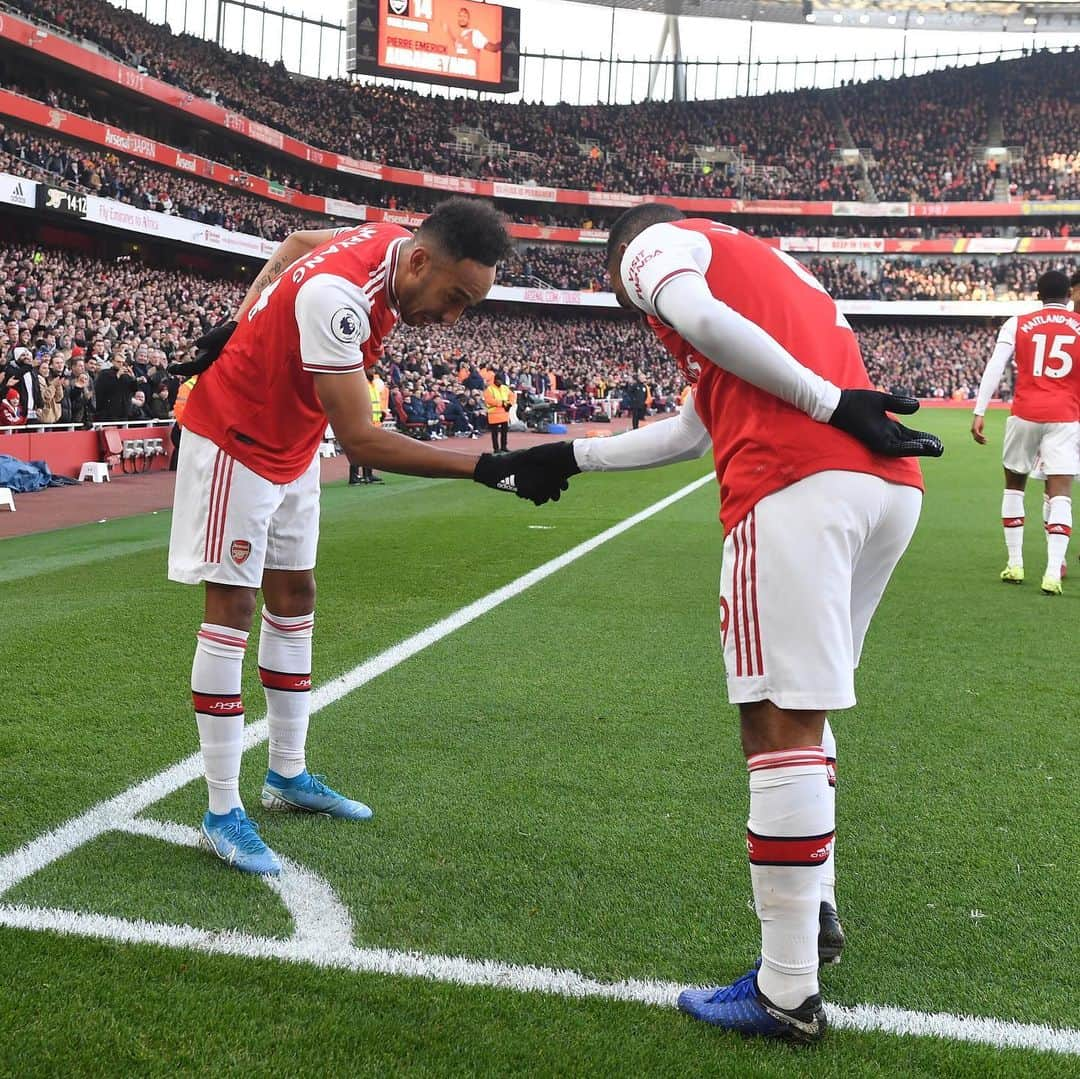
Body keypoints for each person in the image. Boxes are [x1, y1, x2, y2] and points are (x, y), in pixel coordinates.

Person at [505, 205, 942, 1044]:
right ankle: (813, 913)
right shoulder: (771, 274)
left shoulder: (655, 248)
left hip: (796, 477)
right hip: (884, 491)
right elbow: (689, 429)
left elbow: (698, 316)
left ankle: (787, 990)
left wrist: (824, 403)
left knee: (774, 720)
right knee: (806, 709)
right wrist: (570, 453)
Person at [168, 199, 548, 877]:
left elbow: (294, 240)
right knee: (232, 605)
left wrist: (240, 317)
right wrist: (490, 467)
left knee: (296, 591)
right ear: (423, 261)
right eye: (455, 298)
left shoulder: (388, 243)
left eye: (469, 305)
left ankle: (287, 772)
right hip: (237, 436)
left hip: (293, 437)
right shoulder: (338, 297)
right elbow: (363, 439)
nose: (452, 316)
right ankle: (222, 809)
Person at [971, 270, 1079, 594]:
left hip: (1025, 413)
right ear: (1068, 296)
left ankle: (1015, 564)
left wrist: (980, 410)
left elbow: (995, 366)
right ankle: (1052, 573)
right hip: (1065, 416)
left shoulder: (1016, 323)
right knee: (1060, 492)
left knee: (1014, 486)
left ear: (1037, 295)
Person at [349, 368, 385, 485]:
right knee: (359, 449)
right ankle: (354, 476)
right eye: (371, 370)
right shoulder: (364, 385)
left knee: (370, 450)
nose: (373, 372)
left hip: (374, 421)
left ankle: (368, 474)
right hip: (363, 421)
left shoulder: (372, 385)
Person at [483, 372, 514, 452]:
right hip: (494, 414)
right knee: (495, 433)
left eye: (500, 380)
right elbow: (489, 401)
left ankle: (504, 447)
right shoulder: (489, 389)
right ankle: (496, 448)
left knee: (504, 433)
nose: (499, 382)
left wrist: (510, 403)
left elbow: (512, 396)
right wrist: (502, 403)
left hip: (504, 414)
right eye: (498, 380)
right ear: (495, 380)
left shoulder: (505, 388)